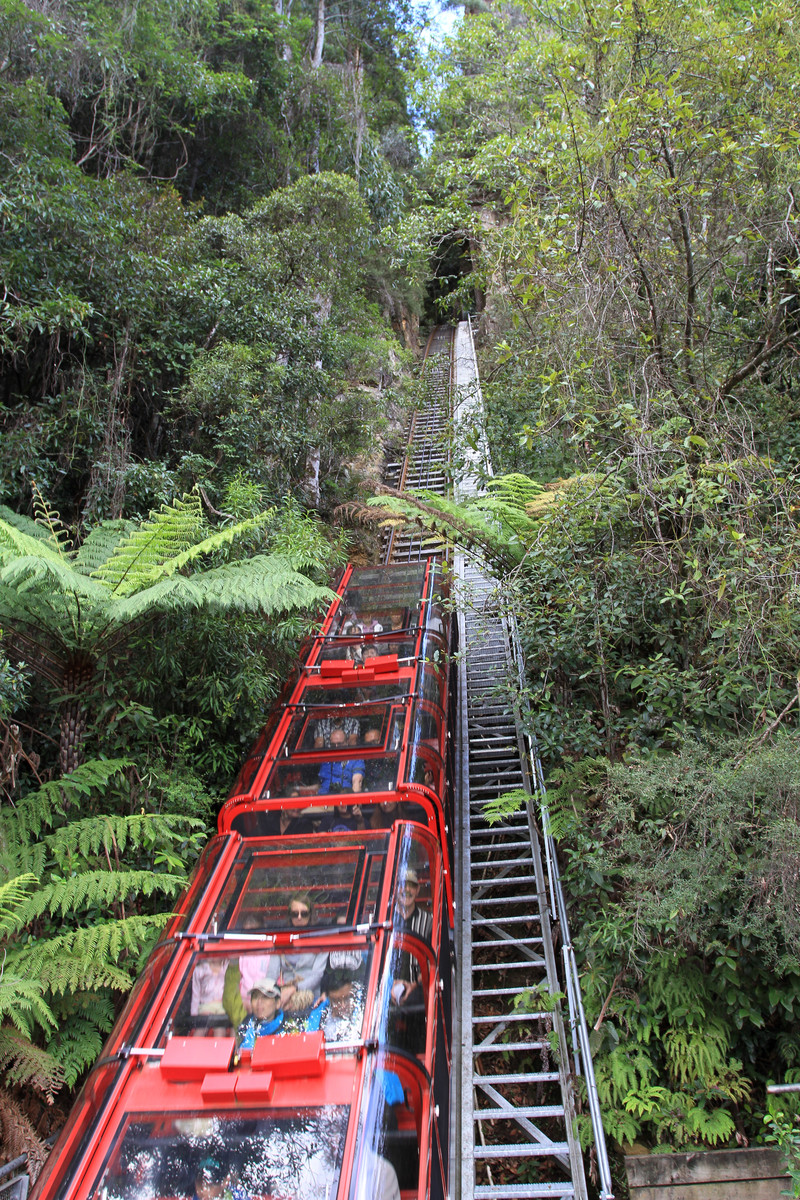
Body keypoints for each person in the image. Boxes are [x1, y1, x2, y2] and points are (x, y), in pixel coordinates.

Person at [279, 893, 329, 1009]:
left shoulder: (319, 939)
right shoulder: (281, 939)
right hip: (284, 1000)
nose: (299, 917)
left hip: (311, 999)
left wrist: (294, 988)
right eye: (295, 914)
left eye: (304, 913)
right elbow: (272, 973)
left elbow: (317, 975)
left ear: (310, 915)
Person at [392, 867, 432, 1005]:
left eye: (412, 886)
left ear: (418, 890)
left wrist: (414, 984)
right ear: (396, 888)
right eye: (403, 885)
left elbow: (432, 958)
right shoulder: (386, 919)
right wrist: (390, 983)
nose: (407, 890)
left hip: (418, 989)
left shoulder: (428, 920)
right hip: (386, 987)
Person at [236, 978, 284, 1048]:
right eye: (255, 997)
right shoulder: (246, 1025)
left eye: (265, 997)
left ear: (278, 1003)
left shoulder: (290, 1025)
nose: (259, 1002)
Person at [317, 727, 365, 794]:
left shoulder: (355, 759)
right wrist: (299, 788)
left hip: (345, 799)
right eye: (333, 745)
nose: (336, 747)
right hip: (322, 799)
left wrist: (355, 802)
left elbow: (357, 781)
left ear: (347, 742)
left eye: (339, 744)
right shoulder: (325, 759)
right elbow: (320, 784)